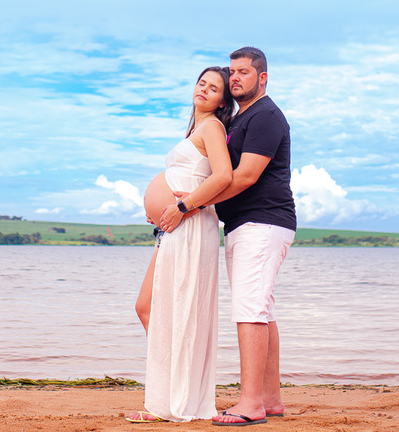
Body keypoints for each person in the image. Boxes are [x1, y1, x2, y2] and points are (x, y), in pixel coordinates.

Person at [126, 66, 236, 423]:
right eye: (201, 83)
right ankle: (170, 396)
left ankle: (172, 402)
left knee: (174, 310)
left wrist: (180, 207)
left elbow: (223, 175)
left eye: (214, 88)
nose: (204, 90)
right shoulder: (197, 127)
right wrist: (158, 209)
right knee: (150, 307)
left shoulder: (213, 127)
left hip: (189, 225)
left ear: (223, 101)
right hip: (173, 225)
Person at [201, 47, 296, 427]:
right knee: (262, 310)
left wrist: (192, 204)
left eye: (243, 71)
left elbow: (244, 177)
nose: (235, 77)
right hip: (246, 225)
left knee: (249, 310)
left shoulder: (266, 115)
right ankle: (269, 399)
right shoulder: (243, 118)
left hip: (263, 222)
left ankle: (251, 403)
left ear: (263, 77)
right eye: (233, 72)